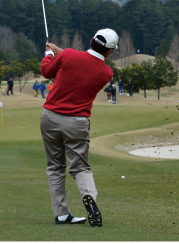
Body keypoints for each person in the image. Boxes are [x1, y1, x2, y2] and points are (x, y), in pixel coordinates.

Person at [40, 28, 119, 227]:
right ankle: (88, 196)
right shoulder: (106, 73)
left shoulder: (67, 55)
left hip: (50, 117)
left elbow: (47, 71)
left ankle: (61, 214)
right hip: (77, 123)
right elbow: (81, 61)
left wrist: (49, 55)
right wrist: (59, 50)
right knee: (80, 167)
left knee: (56, 167)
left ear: (91, 40)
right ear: (110, 52)